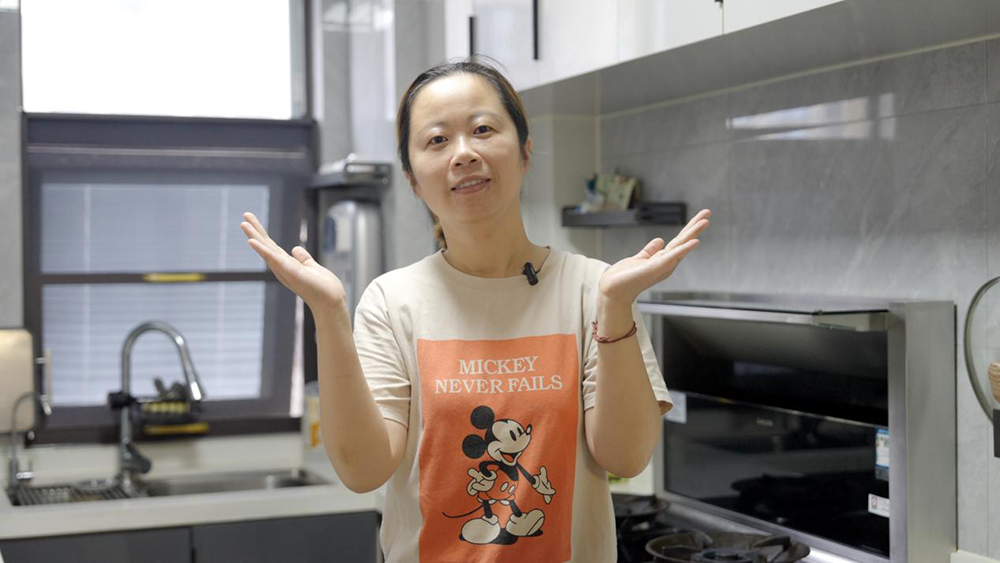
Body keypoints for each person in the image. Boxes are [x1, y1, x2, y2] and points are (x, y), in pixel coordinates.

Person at [241, 59, 710, 563]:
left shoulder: (594, 289)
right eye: (437, 140)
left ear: (525, 152)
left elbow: (627, 456)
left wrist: (616, 307)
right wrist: (328, 312)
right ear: (413, 180)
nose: (464, 153)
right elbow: (363, 471)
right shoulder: (393, 301)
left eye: (483, 129)